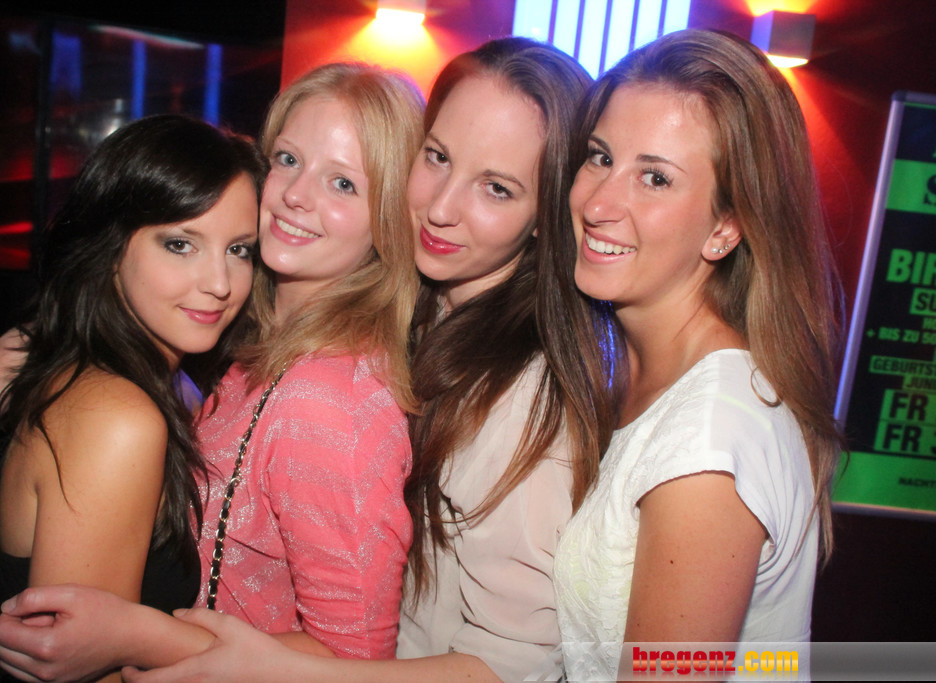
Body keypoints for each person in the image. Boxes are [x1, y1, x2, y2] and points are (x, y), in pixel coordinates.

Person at [96, 37, 619, 683]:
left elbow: (514, 661)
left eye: (497, 188)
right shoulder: (411, 310)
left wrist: (265, 666)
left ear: (546, 214)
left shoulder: (517, 397)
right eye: (437, 157)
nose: (441, 207)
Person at [0, 62, 425, 681]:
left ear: (390, 218)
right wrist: (31, 340)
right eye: (288, 159)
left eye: (344, 183)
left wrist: (139, 634)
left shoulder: (329, 404)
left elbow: (355, 660)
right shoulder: (242, 348)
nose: (296, 196)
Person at [551, 29, 845, 680]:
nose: (597, 203)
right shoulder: (646, 372)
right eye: (600, 157)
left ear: (725, 227)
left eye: (654, 178)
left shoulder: (707, 442)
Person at [0, 113, 265, 682]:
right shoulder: (116, 415)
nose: (220, 283)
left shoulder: (158, 382)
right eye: (180, 244)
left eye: (239, 249)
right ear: (111, 248)